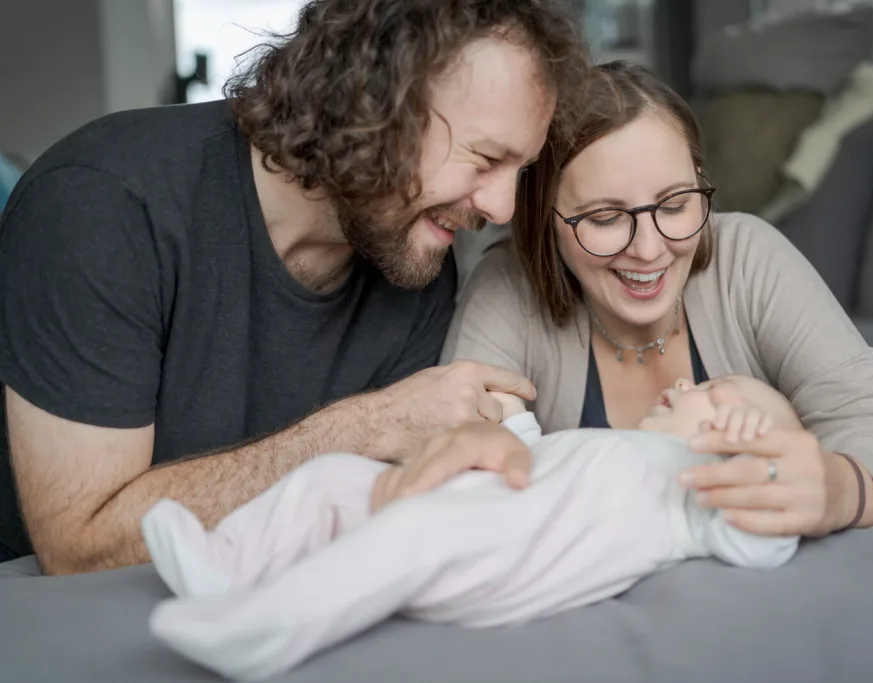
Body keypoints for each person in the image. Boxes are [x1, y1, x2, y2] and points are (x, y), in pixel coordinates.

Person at [0, 0, 591, 572]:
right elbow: (78, 548)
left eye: (523, 170)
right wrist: (367, 428)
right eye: (485, 158)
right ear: (373, 101)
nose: (504, 207)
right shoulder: (102, 204)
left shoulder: (416, 262)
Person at [438, 60, 873, 539]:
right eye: (604, 218)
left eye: (676, 204)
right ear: (543, 220)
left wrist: (835, 490)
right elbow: (452, 468)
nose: (648, 249)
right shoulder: (507, 287)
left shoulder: (750, 258)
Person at [140, 374, 802, 681]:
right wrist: (509, 421)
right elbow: (531, 458)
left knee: (405, 540)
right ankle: (226, 560)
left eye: (718, 393)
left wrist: (760, 462)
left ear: (732, 436)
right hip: (468, 494)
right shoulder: (609, 445)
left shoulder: (693, 493)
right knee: (333, 475)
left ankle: (264, 629)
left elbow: (763, 537)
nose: (688, 382)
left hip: (495, 553)